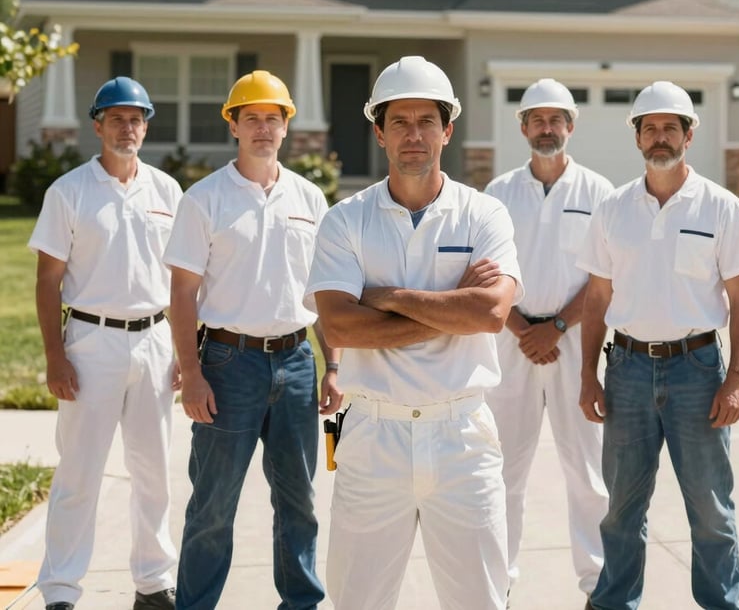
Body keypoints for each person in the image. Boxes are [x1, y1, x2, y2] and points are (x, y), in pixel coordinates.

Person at [305, 55, 523, 610]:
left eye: (427, 121)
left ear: (447, 130)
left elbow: (491, 315)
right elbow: (340, 326)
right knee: (357, 602)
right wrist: (453, 304)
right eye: (399, 121)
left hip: (463, 439)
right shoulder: (345, 219)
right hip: (373, 437)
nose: (414, 135)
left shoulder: (484, 215)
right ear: (378, 131)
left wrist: (386, 296)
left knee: (481, 601)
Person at [578, 81, 739, 610]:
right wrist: (589, 375)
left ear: (688, 134)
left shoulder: (721, 207)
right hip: (628, 370)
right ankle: (613, 602)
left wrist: (737, 379)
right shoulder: (613, 208)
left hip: (698, 371)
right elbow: (597, 298)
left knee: (710, 510)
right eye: (650, 128)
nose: (660, 137)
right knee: (621, 509)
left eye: (670, 128)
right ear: (637, 137)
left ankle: (721, 604)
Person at [163, 70, 342, 610]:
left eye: (273, 118)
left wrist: (333, 366)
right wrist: (191, 373)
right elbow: (182, 293)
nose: (263, 128)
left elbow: (325, 294)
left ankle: (301, 604)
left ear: (287, 127)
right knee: (213, 506)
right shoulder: (205, 199)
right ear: (234, 127)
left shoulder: (310, 199)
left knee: (300, 502)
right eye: (252, 119)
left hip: (295, 364)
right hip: (225, 364)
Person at [29, 77, 181, 610]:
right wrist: (55, 356)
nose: (128, 127)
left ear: (146, 125)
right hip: (91, 342)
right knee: (79, 473)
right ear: (97, 125)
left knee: (154, 472)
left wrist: (186, 351)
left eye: (137, 118)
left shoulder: (167, 191)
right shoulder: (69, 191)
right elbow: (48, 280)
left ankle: (154, 583)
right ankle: (62, 590)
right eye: (116, 118)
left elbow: (186, 281)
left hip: (157, 341)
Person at [484, 78, 611, 607]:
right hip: (510, 345)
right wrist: (523, 329)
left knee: (587, 472)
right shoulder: (497, 193)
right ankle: (499, 584)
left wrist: (555, 327)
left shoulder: (600, 193)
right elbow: (483, 274)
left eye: (556, 119)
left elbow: (604, 277)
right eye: (536, 119)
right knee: (502, 470)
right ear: (522, 126)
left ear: (571, 125)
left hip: (575, 344)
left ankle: (599, 586)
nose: (546, 128)